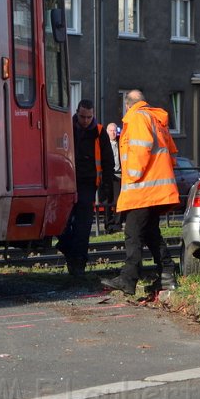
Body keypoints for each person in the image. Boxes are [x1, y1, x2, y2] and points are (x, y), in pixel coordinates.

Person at [101, 90, 180, 295]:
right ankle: (167, 275)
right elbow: (172, 154)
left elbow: (140, 149)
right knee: (152, 233)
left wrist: (133, 175)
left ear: (127, 105)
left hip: (143, 189)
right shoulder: (156, 119)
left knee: (133, 234)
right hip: (157, 188)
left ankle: (128, 279)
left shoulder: (136, 118)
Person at [56, 99, 114, 276]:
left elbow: (107, 160)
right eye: (82, 116)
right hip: (66, 182)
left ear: (93, 115)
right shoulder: (66, 127)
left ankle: (78, 262)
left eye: (89, 117)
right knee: (61, 222)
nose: (86, 120)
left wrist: (106, 185)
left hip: (88, 183)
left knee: (83, 225)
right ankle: (71, 252)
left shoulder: (99, 132)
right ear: (77, 113)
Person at [102, 122, 123, 233]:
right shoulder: (104, 144)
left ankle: (117, 224)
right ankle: (108, 224)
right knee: (107, 200)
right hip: (108, 175)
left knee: (118, 200)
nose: (113, 133)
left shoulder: (120, 143)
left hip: (119, 175)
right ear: (107, 132)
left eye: (115, 130)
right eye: (111, 130)